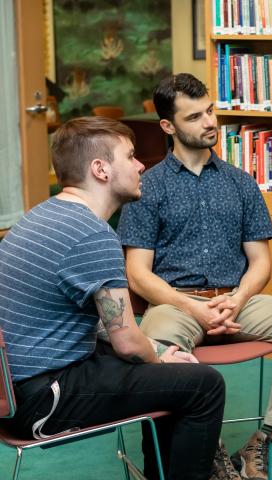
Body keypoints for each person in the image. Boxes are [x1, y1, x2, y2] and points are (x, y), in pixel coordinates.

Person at [0, 117, 226, 480]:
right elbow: (126, 342)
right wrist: (159, 358)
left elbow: (112, 329)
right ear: (101, 169)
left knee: (164, 361)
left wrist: (158, 351)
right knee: (204, 385)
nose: (141, 166)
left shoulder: (43, 215)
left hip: (19, 389)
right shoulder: (92, 234)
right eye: (131, 156)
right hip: (44, 398)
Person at [117, 73, 272, 480]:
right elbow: (138, 275)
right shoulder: (148, 187)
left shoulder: (241, 183)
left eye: (210, 110)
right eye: (194, 116)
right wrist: (194, 308)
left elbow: (261, 263)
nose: (210, 122)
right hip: (175, 303)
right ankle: (205, 450)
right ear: (168, 126)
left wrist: (239, 299)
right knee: (155, 347)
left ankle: (266, 439)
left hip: (237, 300)